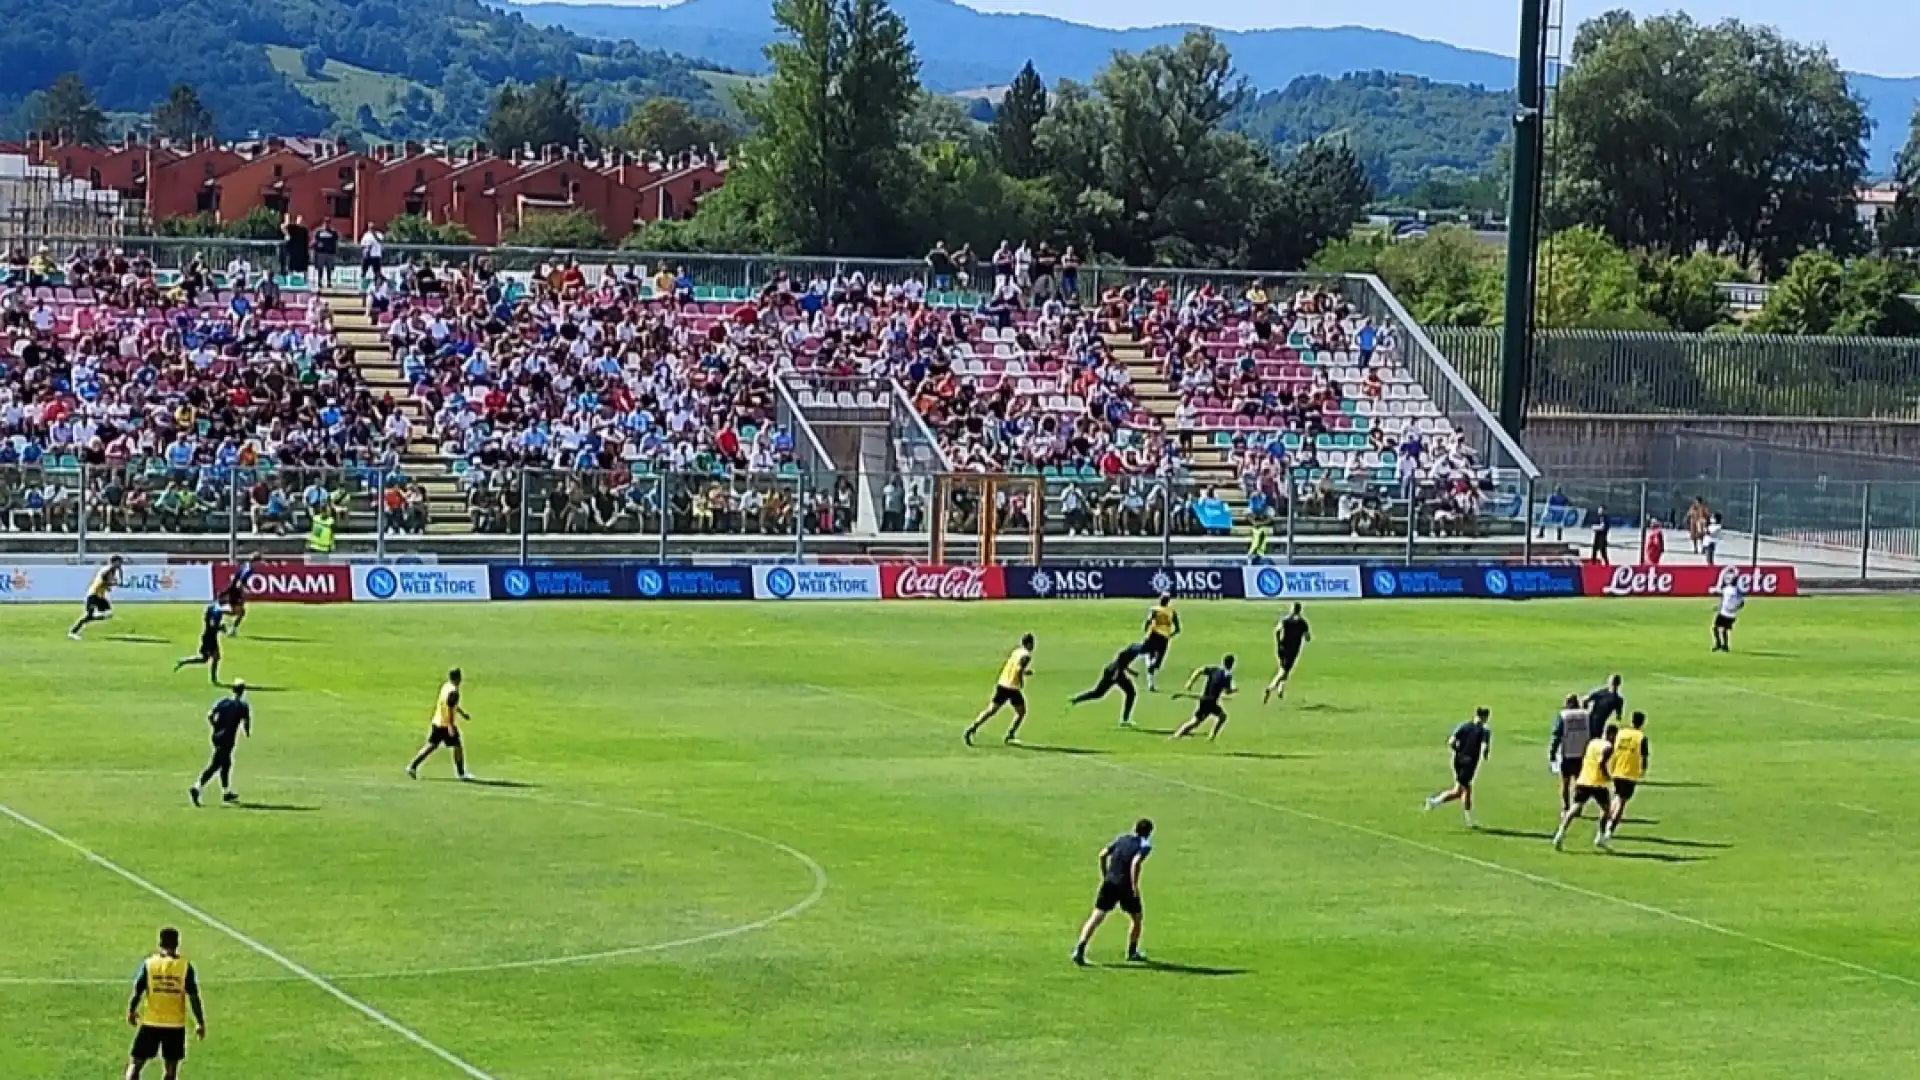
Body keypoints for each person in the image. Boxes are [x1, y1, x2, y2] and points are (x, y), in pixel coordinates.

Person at [125, 927, 205, 1080]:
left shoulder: (149, 964)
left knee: (135, 1065)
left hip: (151, 1022)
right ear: (177, 944)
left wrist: (131, 1010)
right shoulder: (185, 966)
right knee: (170, 1071)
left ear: (159, 943)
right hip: (175, 1026)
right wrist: (200, 1022)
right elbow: (194, 997)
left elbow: (138, 989)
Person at [1071, 818, 1152, 966]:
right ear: (1148, 833)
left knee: (1096, 916)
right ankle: (1132, 952)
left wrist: (1106, 875)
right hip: (1126, 886)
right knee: (1137, 918)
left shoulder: (1122, 839)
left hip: (1110, 882)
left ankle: (1079, 950)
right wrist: (1134, 886)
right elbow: (1135, 863)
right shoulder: (1144, 845)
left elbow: (1102, 854)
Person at [1552, 722, 1618, 851]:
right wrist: (1608, 777)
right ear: (1611, 734)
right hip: (1597, 782)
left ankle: (1560, 833)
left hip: (1584, 779)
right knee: (1606, 809)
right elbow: (1602, 763)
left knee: (1575, 807)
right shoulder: (1608, 747)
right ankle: (1600, 836)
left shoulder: (1593, 742)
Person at [1425, 707, 1492, 826]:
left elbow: (1451, 741)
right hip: (1470, 764)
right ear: (1484, 717)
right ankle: (1468, 818)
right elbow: (1484, 746)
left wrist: (1459, 752)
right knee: (1463, 790)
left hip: (1457, 761)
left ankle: (1436, 803)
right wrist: (1485, 754)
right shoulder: (1484, 731)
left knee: (1462, 790)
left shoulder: (1464, 726)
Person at [965, 634, 1034, 746]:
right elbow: (1019, 668)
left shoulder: (1016, 651)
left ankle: (972, 728)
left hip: (1002, 683)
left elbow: (1014, 666)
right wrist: (1021, 681)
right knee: (1021, 712)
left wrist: (1025, 672)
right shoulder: (1026, 655)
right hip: (1012, 688)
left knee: (991, 710)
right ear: (1029, 644)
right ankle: (1010, 735)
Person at [189, 683, 251, 806]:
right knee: (216, 765)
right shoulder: (243, 706)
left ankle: (226, 792)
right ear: (242, 691)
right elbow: (246, 722)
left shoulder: (223, 702)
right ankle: (197, 787)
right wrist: (247, 732)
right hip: (228, 739)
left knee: (226, 763)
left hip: (217, 736)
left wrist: (215, 725)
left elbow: (210, 715)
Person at [408, 668, 473, 779]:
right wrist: (451, 727)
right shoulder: (453, 692)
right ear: (458, 678)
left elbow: (451, 705)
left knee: (431, 745)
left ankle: (412, 766)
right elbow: (449, 709)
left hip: (437, 721)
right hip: (445, 724)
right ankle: (461, 774)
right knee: (457, 746)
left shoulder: (446, 686)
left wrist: (462, 713)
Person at [1069, 641, 1147, 726]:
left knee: (1098, 693)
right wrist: (1116, 674)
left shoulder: (1134, 647)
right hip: (1115, 673)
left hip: (1112, 671)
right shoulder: (1135, 651)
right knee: (1130, 693)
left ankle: (1076, 699)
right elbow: (1120, 660)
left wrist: (1131, 671)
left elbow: (1121, 660)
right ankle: (1124, 720)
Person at [1604, 711, 1650, 840]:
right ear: (1642, 723)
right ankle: (1610, 828)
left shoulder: (1621, 733)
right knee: (1621, 801)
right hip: (1630, 772)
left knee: (1617, 796)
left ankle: (1606, 821)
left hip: (1617, 770)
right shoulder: (1641, 737)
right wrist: (1643, 770)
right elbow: (1644, 756)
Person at [1171, 654, 1236, 741]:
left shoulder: (1214, 670)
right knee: (1195, 722)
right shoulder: (1227, 676)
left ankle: (1211, 736)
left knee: (1222, 717)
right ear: (1232, 665)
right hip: (1210, 702)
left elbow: (1199, 670)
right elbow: (1227, 692)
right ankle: (1176, 737)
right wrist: (1234, 690)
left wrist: (1190, 682)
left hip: (1206, 700)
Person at [1547, 693, 1592, 811]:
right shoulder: (1586, 715)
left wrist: (1552, 753)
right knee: (1580, 782)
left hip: (1567, 753)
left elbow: (1556, 735)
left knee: (1565, 783)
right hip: (1583, 754)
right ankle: (1577, 807)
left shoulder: (1563, 715)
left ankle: (1566, 808)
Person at [1263, 602, 1310, 704]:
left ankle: (1280, 689)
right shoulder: (1302, 623)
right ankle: (1270, 688)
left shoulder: (1285, 620)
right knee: (1283, 672)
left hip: (1282, 648)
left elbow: (1277, 631)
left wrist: (1278, 643)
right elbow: (1307, 637)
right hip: (1292, 651)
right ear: (1300, 610)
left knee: (1284, 670)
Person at [69, 555, 125, 640]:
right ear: (115, 562)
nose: (121, 564)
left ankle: (90, 618)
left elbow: (108, 580)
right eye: (119, 562)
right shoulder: (108, 570)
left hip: (100, 596)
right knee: (90, 615)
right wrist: (113, 584)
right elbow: (104, 579)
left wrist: (110, 585)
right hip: (93, 595)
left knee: (108, 614)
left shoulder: (112, 569)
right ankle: (73, 632)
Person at [172, 603, 226, 685]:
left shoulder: (213, 609)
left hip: (209, 637)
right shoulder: (216, 612)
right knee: (215, 657)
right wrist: (220, 628)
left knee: (206, 659)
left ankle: (183, 661)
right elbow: (213, 625)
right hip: (209, 639)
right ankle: (214, 679)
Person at [1140, 593, 1181, 691]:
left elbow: (1148, 621)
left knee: (1153, 660)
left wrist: (1146, 630)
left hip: (1154, 635)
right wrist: (1171, 634)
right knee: (1157, 661)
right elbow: (1178, 629)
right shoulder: (1171, 612)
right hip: (1162, 638)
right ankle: (1151, 684)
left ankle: (1148, 661)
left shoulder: (1155, 610)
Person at [221, 554, 258, 636]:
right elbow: (239, 583)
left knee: (238, 612)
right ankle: (230, 629)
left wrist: (246, 587)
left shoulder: (245, 566)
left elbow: (238, 579)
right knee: (239, 612)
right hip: (236, 591)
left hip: (233, 589)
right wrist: (244, 591)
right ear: (256, 561)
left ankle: (230, 629)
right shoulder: (249, 569)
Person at [1713, 578, 1745, 653]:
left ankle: (1723, 645)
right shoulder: (1730, 589)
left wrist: (1735, 609)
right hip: (1724, 612)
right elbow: (1741, 603)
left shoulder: (1736, 591)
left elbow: (1741, 603)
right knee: (1719, 629)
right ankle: (1720, 644)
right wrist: (1718, 607)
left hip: (1729, 614)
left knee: (1720, 629)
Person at [311, 219, 340, 288]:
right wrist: (316, 245)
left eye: (328, 223)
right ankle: (319, 282)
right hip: (321, 253)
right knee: (320, 268)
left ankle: (329, 282)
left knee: (329, 269)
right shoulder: (318, 231)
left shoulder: (333, 232)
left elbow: (336, 242)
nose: (327, 224)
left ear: (330, 223)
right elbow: (315, 240)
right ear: (323, 223)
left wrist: (335, 252)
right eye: (325, 222)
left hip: (330, 253)